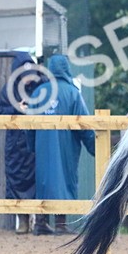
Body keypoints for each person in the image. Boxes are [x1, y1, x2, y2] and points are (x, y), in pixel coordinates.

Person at [33, 54, 95, 235]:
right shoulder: (72, 93)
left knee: (43, 179)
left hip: (42, 145)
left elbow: (27, 125)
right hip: (66, 145)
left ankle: (40, 222)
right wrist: (95, 147)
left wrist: (32, 145)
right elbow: (85, 125)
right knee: (65, 178)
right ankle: (61, 223)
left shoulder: (38, 92)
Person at [0, 50, 41, 234]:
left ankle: (37, 219)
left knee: (37, 178)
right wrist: (16, 109)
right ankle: (22, 220)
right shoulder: (8, 90)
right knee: (16, 179)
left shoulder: (41, 86)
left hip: (34, 140)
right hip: (16, 143)